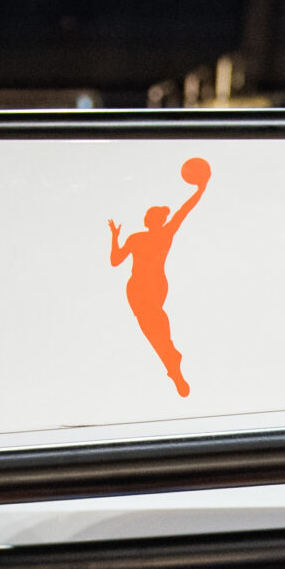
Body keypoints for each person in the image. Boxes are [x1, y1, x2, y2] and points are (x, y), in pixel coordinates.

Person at [109, 157, 213, 397]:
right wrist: (115, 236)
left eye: (160, 218)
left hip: (154, 286)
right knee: (152, 327)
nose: (159, 220)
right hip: (139, 287)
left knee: (156, 324)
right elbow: (115, 260)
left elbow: (183, 211)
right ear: (149, 221)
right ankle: (172, 364)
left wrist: (200, 190)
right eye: (156, 217)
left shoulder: (164, 234)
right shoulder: (138, 238)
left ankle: (172, 361)